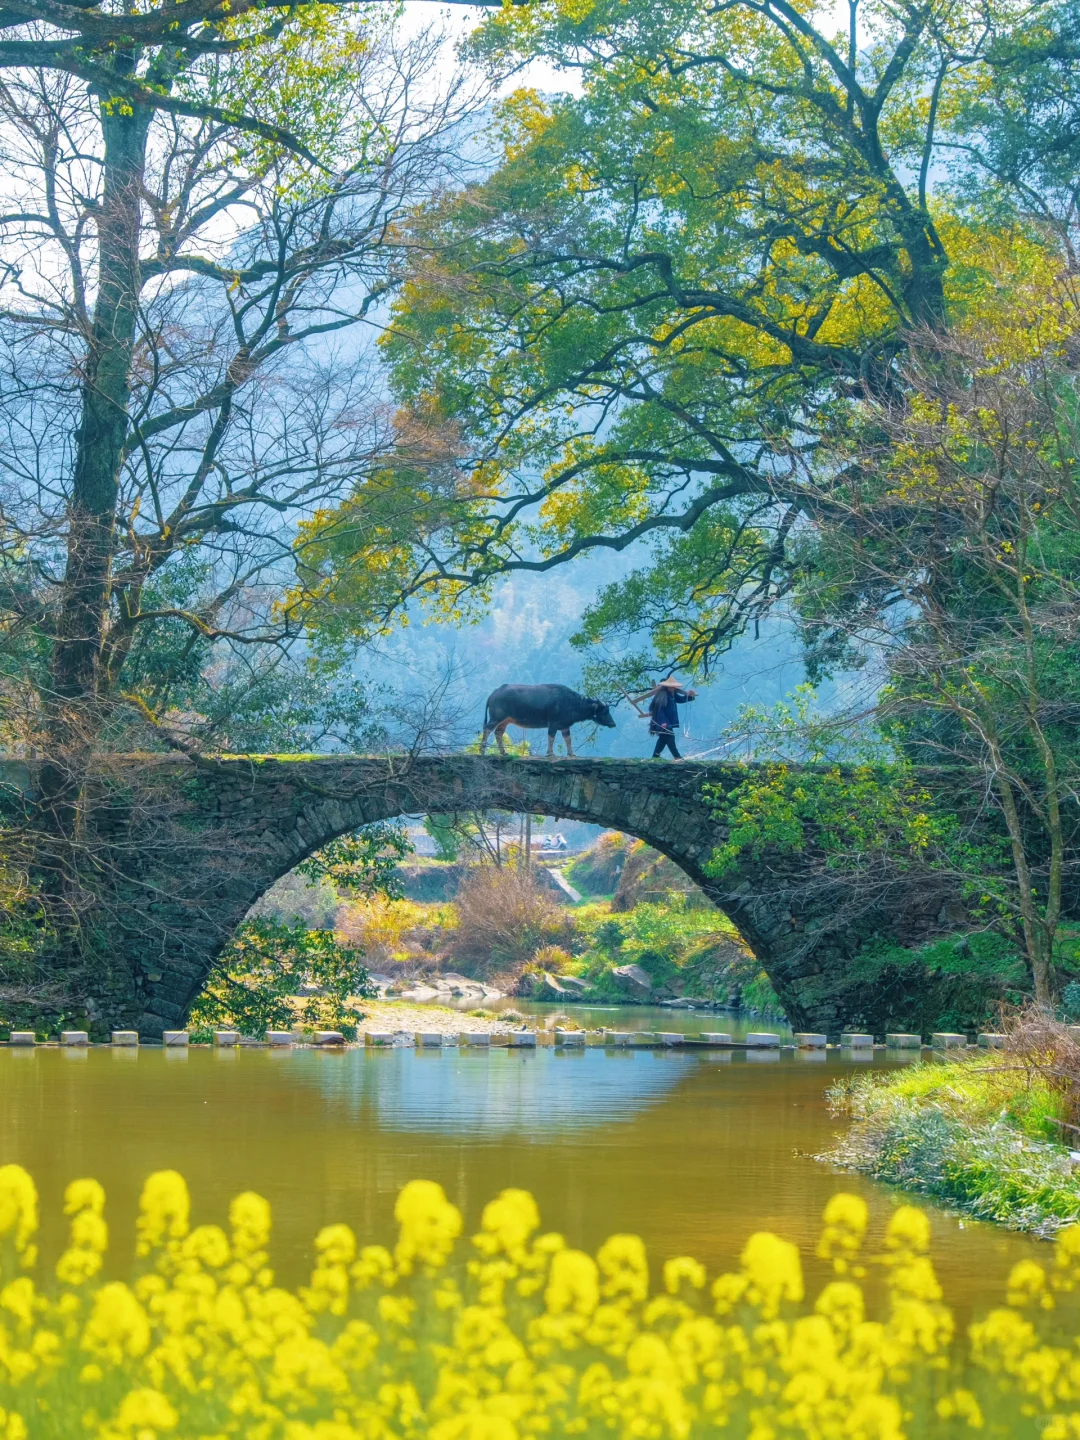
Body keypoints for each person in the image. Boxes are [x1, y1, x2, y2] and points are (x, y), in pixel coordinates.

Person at [630, 677, 697, 759]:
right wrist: (663, 722)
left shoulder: (672, 694)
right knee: (670, 737)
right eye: (672, 686)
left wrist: (690, 696)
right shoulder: (662, 695)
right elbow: (660, 711)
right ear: (667, 686)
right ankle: (677, 757)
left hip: (668, 722)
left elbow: (680, 699)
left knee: (663, 740)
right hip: (664, 722)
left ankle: (655, 757)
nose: (673, 688)